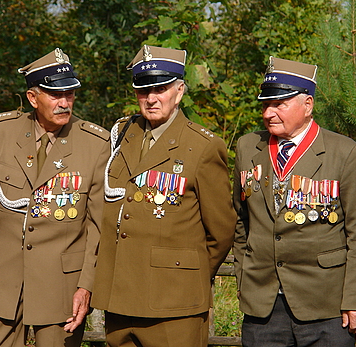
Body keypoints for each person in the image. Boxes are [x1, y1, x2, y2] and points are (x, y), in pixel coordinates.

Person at [92, 45, 236, 347]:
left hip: (174, 303)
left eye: (161, 88)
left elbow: (221, 231)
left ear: (180, 90)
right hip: (120, 297)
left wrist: (185, 274)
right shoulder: (121, 135)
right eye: (143, 90)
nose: (151, 98)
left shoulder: (203, 147)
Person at [0, 48, 109, 347]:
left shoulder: (95, 143)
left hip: (61, 287)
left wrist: (86, 286)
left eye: (70, 94)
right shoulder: (1, 133)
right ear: (33, 98)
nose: (64, 103)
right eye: (56, 95)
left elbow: (97, 227)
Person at [233, 56, 356, 346]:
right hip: (263, 305)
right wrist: (242, 280)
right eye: (265, 105)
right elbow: (240, 221)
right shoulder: (248, 147)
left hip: (326, 305)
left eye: (279, 104)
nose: (268, 113)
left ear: (307, 105)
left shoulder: (344, 152)